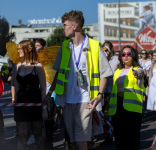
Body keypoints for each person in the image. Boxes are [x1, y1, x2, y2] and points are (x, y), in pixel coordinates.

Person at [43, 10, 113, 150]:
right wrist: (49, 93)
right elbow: (58, 73)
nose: (63, 28)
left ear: (74, 26)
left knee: (81, 141)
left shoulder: (94, 46)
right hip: (67, 101)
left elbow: (105, 73)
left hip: (86, 101)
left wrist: (99, 95)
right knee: (73, 141)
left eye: (65, 25)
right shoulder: (65, 46)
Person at [108, 45, 145, 150]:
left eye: (128, 54)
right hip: (117, 107)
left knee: (132, 137)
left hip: (133, 108)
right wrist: (107, 109)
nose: (126, 56)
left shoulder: (137, 69)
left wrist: (137, 73)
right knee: (119, 137)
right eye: (123, 54)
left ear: (133, 56)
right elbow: (113, 91)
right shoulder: (117, 71)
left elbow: (141, 73)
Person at [11, 40, 47, 150]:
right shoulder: (18, 66)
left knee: (37, 132)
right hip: (21, 103)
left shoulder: (38, 66)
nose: (18, 51)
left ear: (29, 49)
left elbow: (43, 89)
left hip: (35, 103)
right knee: (21, 133)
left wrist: (44, 108)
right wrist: (14, 101)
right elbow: (16, 87)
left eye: (20, 48)